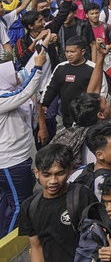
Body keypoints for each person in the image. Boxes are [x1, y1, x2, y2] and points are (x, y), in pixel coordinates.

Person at [19, 143, 98, 262]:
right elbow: (36, 247)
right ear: (37, 173)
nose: (53, 181)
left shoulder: (82, 196)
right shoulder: (29, 207)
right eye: (46, 175)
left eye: (59, 173)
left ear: (70, 170)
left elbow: (98, 236)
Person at [1, 46, 48, 235]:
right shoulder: (4, 97)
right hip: (10, 163)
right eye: (11, 71)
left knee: (8, 204)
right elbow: (25, 93)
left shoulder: (8, 91)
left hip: (18, 158)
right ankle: (9, 248)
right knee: (20, 205)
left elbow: (24, 83)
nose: (17, 73)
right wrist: (37, 69)